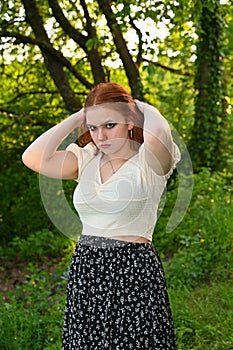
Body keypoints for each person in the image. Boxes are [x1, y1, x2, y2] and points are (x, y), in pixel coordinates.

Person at [22, 82, 180, 349]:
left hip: (134, 269)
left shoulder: (150, 161)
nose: (101, 136)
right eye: (93, 128)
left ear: (130, 122)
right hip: (88, 268)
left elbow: (157, 135)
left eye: (110, 125)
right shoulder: (86, 159)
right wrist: (78, 117)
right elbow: (33, 158)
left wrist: (140, 106)